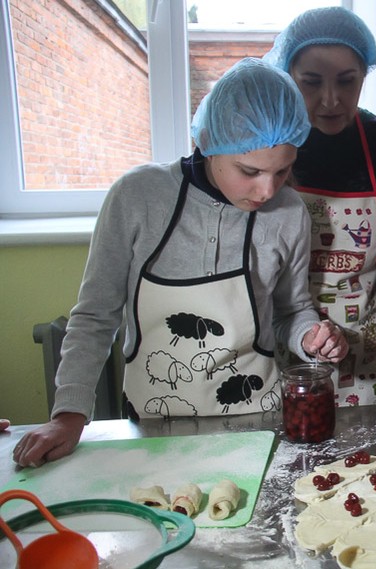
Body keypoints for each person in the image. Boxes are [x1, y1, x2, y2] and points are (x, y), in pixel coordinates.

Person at [13, 58, 347, 468]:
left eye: (283, 171)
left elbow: (290, 310)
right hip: (151, 426)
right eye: (250, 171)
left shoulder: (288, 213)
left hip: (258, 423)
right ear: (209, 142)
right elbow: (96, 316)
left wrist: (310, 336)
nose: (266, 190)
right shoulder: (138, 197)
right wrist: (69, 414)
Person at [263, 7, 376, 406]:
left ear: (364, 75)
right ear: (288, 75)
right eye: (311, 82)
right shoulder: (269, 147)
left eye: (346, 80)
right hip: (286, 361)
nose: (331, 99)